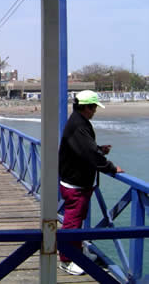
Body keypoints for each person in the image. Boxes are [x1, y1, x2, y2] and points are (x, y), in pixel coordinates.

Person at [58, 90, 123, 276]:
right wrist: (110, 167)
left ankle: (76, 251)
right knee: (72, 221)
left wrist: (99, 149)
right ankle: (67, 259)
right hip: (75, 183)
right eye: (93, 107)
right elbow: (89, 153)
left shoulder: (78, 121)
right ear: (85, 107)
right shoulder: (79, 125)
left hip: (76, 181)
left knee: (76, 220)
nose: (95, 110)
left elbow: (84, 149)